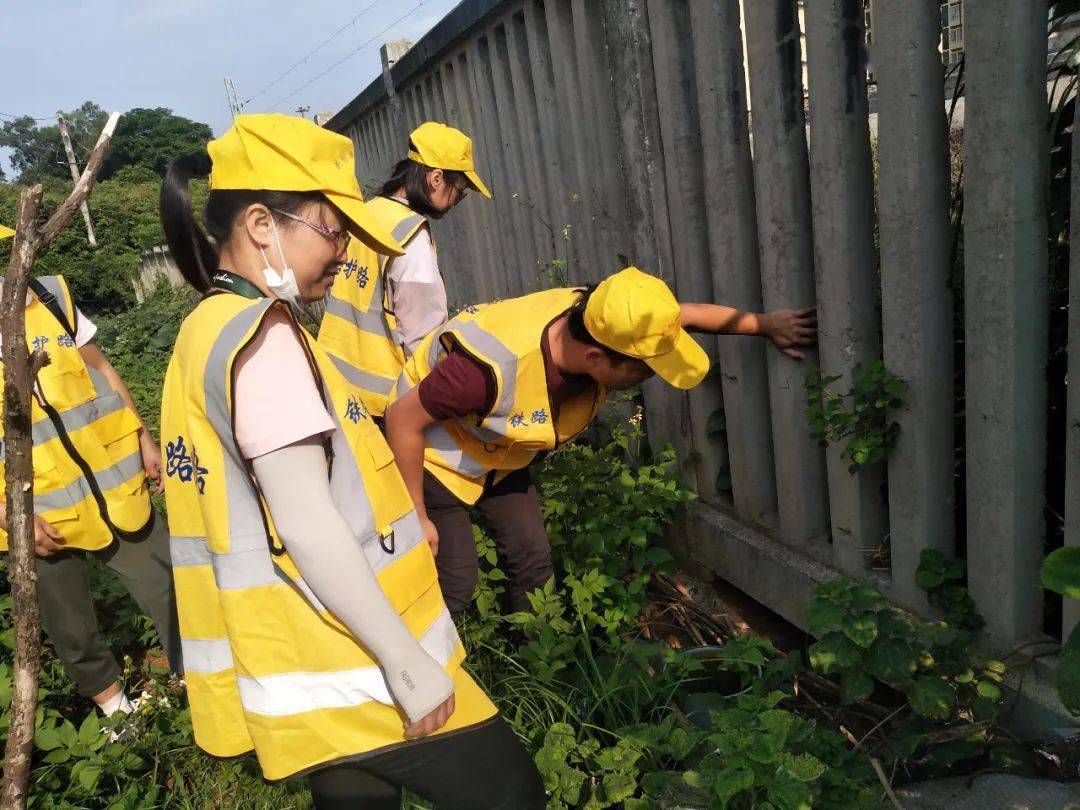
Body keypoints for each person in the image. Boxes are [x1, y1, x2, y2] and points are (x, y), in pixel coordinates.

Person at [158, 114, 543, 810]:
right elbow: (306, 522)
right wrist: (406, 663)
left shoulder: (206, 327)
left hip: (303, 656)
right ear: (262, 225)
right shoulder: (265, 341)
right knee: (513, 793)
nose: (343, 255)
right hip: (350, 652)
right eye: (333, 232)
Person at [385, 267, 817, 615]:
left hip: (500, 451)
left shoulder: (607, 316)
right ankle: (425, 671)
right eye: (644, 370)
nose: (649, 378)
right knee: (456, 585)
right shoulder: (484, 372)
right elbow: (402, 420)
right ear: (596, 358)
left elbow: (683, 315)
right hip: (434, 457)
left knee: (532, 561)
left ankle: (538, 666)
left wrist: (766, 325)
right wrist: (416, 515)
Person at [0, 224, 181, 726]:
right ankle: (117, 713)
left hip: (114, 485)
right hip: (40, 510)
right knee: (70, 624)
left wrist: (143, 437)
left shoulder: (48, 296)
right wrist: (9, 514)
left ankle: (200, 681)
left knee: (169, 583)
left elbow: (103, 371)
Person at [318, 121, 490, 419]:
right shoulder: (411, 238)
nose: (455, 201)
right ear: (436, 178)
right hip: (382, 403)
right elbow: (422, 339)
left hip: (333, 384)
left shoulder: (370, 213)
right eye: (459, 191)